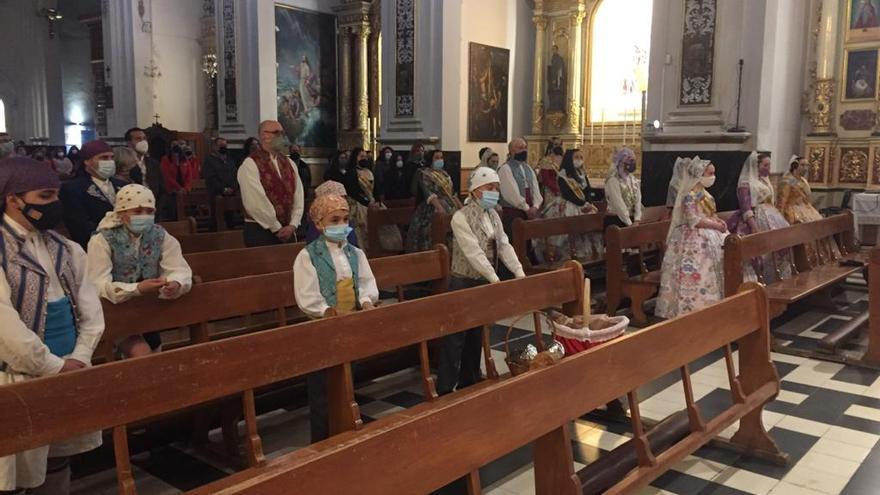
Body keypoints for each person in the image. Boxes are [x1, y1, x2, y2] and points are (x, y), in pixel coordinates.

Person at [0, 157, 104, 494]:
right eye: (45, 197)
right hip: (16, 374)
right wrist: (52, 366)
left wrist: (82, 356)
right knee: (14, 469)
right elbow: (5, 328)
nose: (55, 205)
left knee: (59, 457)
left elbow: (90, 309)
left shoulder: (67, 248)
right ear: (12, 198)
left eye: (56, 196)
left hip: (69, 366)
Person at [292, 193, 378, 442]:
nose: (342, 225)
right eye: (334, 220)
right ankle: (322, 440)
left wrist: (365, 301)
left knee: (347, 383)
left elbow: (365, 282)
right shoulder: (308, 256)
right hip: (322, 330)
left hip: (350, 324)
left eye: (345, 219)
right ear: (319, 224)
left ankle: (345, 435)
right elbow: (306, 294)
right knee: (322, 389)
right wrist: (326, 311)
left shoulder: (355, 253)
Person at [440, 167, 525, 395]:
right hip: (463, 282)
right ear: (476, 190)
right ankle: (446, 388)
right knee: (456, 337)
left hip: (483, 282)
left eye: (496, 188)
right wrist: (494, 278)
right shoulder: (460, 217)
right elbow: (473, 251)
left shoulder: (493, 215)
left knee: (476, 334)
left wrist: (519, 273)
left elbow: (504, 244)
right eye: (490, 188)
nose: (494, 192)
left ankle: (470, 381)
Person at [86, 184, 192, 357]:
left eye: (150, 211)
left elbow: (178, 267)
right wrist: (136, 289)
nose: (144, 216)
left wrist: (175, 282)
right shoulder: (102, 240)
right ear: (121, 213)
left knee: (156, 348)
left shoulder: (160, 235)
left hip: (148, 310)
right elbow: (97, 284)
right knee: (140, 351)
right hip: (115, 311)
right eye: (137, 211)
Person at [655, 158, 728, 319]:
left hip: (710, 235)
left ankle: (712, 304)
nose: (713, 176)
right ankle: (691, 308)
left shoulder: (706, 194)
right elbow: (693, 220)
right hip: (693, 239)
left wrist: (718, 220)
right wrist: (715, 225)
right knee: (696, 272)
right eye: (710, 173)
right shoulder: (690, 195)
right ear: (699, 174)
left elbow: (710, 214)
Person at [726, 152, 793, 284]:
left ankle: (779, 280)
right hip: (756, 218)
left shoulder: (764, 181)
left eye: (769, 165)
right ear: (755, 166)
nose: (768, 168)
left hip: (771, 215)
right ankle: (764, 281)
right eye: (765, 165)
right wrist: (754, 226)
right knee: (764, 252)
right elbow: (745, 207)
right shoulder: (745, 183)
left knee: (779, 248)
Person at [237, 120, 304, 247]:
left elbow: (298, 195)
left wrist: (293, 224)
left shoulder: (289, 163)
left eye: (282, 133)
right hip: (261, 230)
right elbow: (255, 202)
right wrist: (276, 227)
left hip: (288, 230)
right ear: (264, 135)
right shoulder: (250, 164)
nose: (282, 137)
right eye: (277, 133)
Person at [60, 140, 126, 248]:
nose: (109, 161)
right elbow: (80, 225)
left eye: (111, 157)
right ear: (87, 161)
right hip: (95, 246)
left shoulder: (122, 185)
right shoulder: (73, 188)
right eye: (104, 158)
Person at [540, 149, 601, 263]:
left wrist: (589, 202)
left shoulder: (582, 173)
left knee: (588, 233)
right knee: (568, 234)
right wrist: (583, 204)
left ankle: (586, 258)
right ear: (569, 159)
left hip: (584, 205)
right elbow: (568, 194)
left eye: (581, 157)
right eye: (576, 157)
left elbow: (588, 190)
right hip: (571, 205)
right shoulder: (563, 174)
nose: (579, 160)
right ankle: (568, 258)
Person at [777, 155, 840, 264]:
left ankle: (820, 259)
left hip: (805, 208)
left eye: (807, 165)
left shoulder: (804, 181)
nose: (805, 168)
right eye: (802, 165)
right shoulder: (788, 181)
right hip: (792, 210)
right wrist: (779, 218)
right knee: (805, 232)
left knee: (819, 228)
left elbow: (806, 199)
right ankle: (804, 261)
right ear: (795, 165)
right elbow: (782, 201)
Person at [406, 149, 462, 252]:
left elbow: (452, 193)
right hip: (432, 208)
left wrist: (461, 208)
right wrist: (440, 209)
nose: (440, 160)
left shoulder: (445, 174)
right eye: (437, 158)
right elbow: (429, 194)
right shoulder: (425, 174)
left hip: (450, 206)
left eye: (441, 157)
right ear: (430, 159)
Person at [346, 148, 402, 251]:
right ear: (355, 158)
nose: (364, 159)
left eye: (365, 157)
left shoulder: (369, 171)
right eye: (361, 157)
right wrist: (367, 203)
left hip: (372, 202)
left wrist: (377, 201)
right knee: (362, 230)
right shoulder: (351, 173)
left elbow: (375, 189)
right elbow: (352, 192)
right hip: (359, 204)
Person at [498, 138, 543, 233]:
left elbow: (535, 190)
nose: (524, 150)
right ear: (512, 151)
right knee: (515, 241)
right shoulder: (505, 169)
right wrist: (526, 208)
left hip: (530, 212)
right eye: (520, 148)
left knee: (528, 243)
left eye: (525, 148)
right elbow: (510, 194)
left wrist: (535, 206)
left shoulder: (528, 168)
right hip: (514, 213)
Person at [304, 181, 358, 245]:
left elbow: (353, 243)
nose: (340, 203)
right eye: (335, 220)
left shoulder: (349, 224)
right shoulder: (315, 227)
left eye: (342, 199)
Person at [604, 147, 643, 229]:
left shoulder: (633, 179)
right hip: (616, 221)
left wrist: (637, 220)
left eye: (634, 160)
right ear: (621, 162)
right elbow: (618, 204)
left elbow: (638, 200)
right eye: (630, 160)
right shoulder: (613, 180)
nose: (633, 163)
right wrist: (629, 223)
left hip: (632, 221)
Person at [125, 128, 165, 201]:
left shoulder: (154, 163)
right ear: (129, 143)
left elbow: (161, 188)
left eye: (144, 138)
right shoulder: (124, 163)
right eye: (138, 139)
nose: (143, 141)